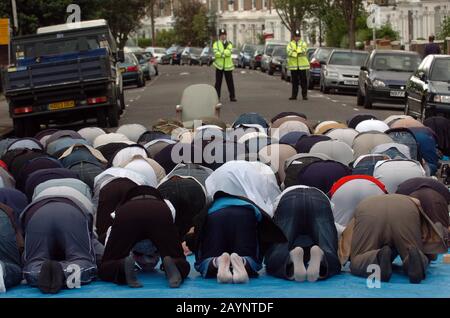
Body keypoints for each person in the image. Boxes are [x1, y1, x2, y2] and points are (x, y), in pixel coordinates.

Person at [98, 186, 190, 288]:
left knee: (108, 264)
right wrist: (169, 252)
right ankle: (175, 265)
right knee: (177, 257)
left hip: (128, 213)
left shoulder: (121, 208)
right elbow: (170, 231)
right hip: (159, 211)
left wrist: (115, 256)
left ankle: (121, 266)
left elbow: (112, 236)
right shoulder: (166, 205)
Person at [342, 194, 447, 284]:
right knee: (413, 251)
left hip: (369, 211)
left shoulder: (366, 203)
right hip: (406, 208)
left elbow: (347, 239)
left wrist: (344, 257)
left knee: (359, 259)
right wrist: (426, 257)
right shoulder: (414, 202)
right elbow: (432, 253)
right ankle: (414, 258)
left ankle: (377, 258)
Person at [265, 186, 341, 282]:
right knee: (329, 251)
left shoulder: (284, 194)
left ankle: (289, 258)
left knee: (277, 252)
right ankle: (323, 255)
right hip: (320, 199)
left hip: (288, 200)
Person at [213, 29, 237, 102]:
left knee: (230, 82)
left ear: (226, 35)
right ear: (219, 36)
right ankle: (217, 97)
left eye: (224, 35)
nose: (223, 36)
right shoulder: (216, 44)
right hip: (219, 66)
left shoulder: (229, 43)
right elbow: (216, 53)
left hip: (228, 66)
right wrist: (223, 54)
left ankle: (232, 97)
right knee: (218, 83)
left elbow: (229, 52)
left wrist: (221, 54)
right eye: (221, 35)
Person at [286, 30, 309, 101]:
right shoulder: (290, 44)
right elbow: (289, 52)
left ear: (300, 37)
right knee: (294, 82)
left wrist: (295, 52)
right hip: (294, 66)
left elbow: (304, 50)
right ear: (293, 37)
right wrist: (297, 53)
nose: (297, 38)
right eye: (296, 36)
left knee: (303, 81)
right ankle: (294, 96)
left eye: (298, 36)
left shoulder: (303, 43)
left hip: (302, 66)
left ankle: (304, 96)